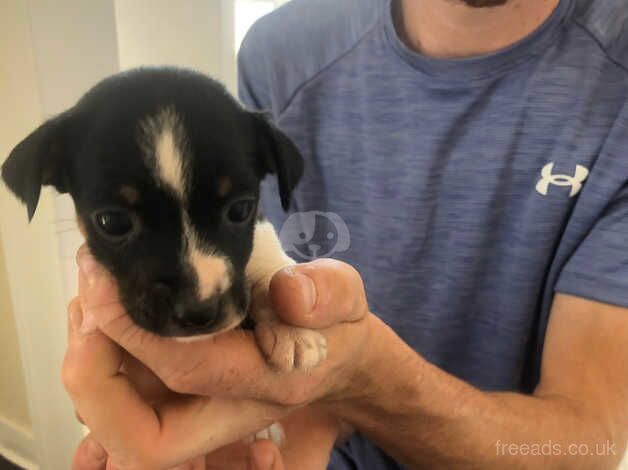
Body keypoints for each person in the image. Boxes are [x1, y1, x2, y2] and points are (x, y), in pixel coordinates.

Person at [64, 0, 628, 468]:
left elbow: (590, 445)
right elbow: (272, 285)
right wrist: (261, 427)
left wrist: (360, 379)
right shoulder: (281, 51)